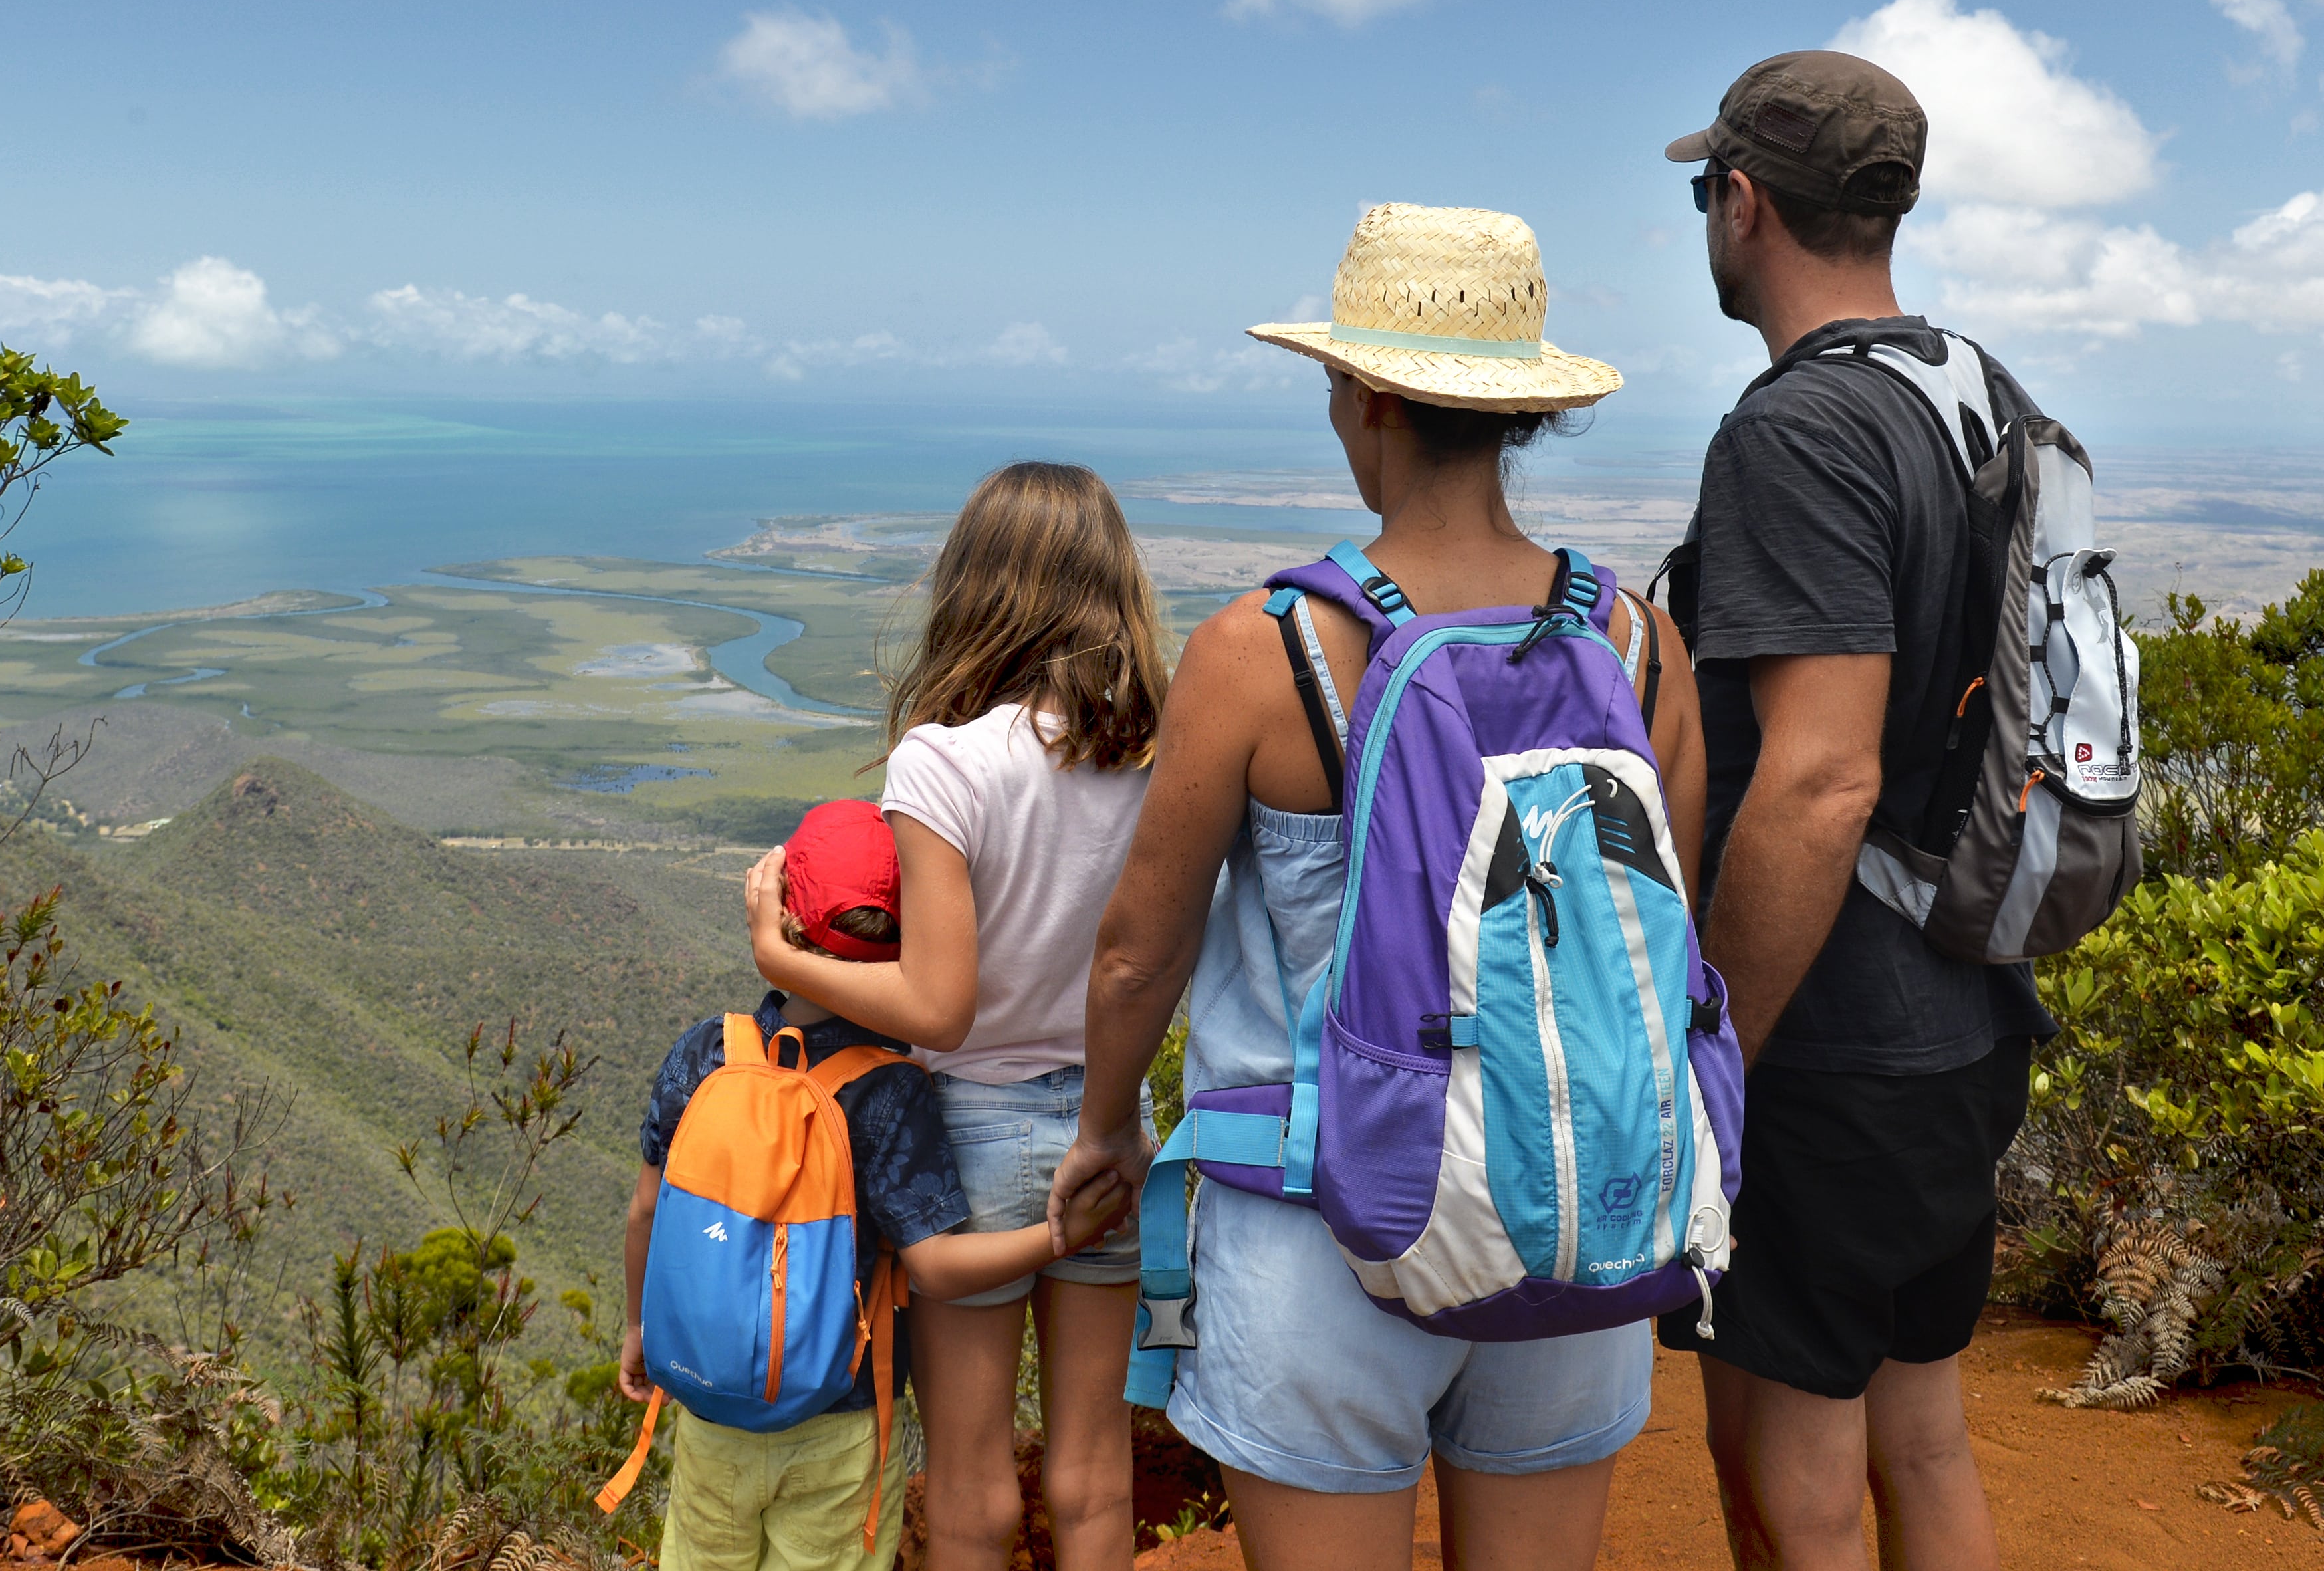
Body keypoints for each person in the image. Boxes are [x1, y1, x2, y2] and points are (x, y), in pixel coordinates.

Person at [1052, 203, 1710, 1571]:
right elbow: (1660, 938)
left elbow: (1136, 951)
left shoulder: (1269, 647)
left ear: (1358, 397)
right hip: (1563, 1226)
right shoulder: (1642, 647)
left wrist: (1107, 1123)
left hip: (1323, 1228)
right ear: (1521, 411)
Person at [1656, 51, 2059, 1571]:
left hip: (1829, 1039)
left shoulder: (1800, 430)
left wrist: (1716, 1056)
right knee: (1925, 1429)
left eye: (1708, 190)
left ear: (1744, 200)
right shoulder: (1978, 393)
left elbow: (1819, 781)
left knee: (1794, 1455)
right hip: (1965, 999)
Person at [741, 463, 1171, 1571]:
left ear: (972, 591)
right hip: (1111, 1128)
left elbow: (937, 1000)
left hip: (968, 1133)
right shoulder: (1146, 762)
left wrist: (776, 955)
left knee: (971, 1479)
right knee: (1091, 1474)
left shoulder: (944, 764)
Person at [619, 799, 1133, 1571]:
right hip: (842, 1420)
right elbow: (932, 1267)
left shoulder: (703, 1054)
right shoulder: (892, 1092)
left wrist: (637, 1331)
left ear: (780, 914)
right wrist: (1058, 1238)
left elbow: (649, 1208)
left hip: (709, 1407)